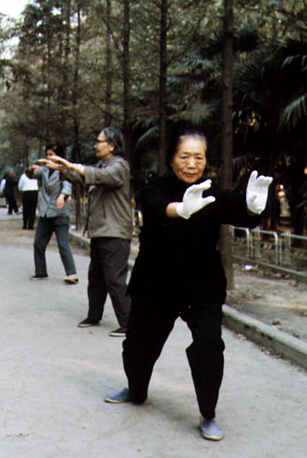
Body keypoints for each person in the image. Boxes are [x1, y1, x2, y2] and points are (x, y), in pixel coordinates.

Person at [104, 128, 273, 442]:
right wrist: (179, 209)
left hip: (201, 286)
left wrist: (254, 206)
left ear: (206, 161)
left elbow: (241, 213)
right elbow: (155, 209)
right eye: (185, 156)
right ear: (171, 158)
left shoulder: (212, 193)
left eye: (199, 157)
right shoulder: (154, 188)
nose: (191, 163)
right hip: (156, 283)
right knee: (139, 346)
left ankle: (208, 414)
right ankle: (136, 389)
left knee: (210, 346)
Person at [40, 126, 133, 337]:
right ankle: (94, 315)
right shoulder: (102, 165)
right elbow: (82, 177)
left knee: (115, 279)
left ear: (111, 145)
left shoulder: (119, 166)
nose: (94, 145)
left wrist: (72, 165)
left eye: (98, 141)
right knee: (97, 277)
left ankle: (128, 323)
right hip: (100, 231)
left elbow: (101, 176)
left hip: (115, 232)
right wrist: (62, 169)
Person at [28, 145, 78, 284]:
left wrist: (62, 196)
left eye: (52, 155)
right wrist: (31, 168)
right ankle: (41, 272)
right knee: (38, 243)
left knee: (63, 244)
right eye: (47, 154)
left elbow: (67, 186)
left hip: (59, 213)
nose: (49, 157)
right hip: (45, 212)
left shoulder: (64, 170)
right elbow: (31, 175)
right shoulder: (44, 169)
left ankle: (72, 274)